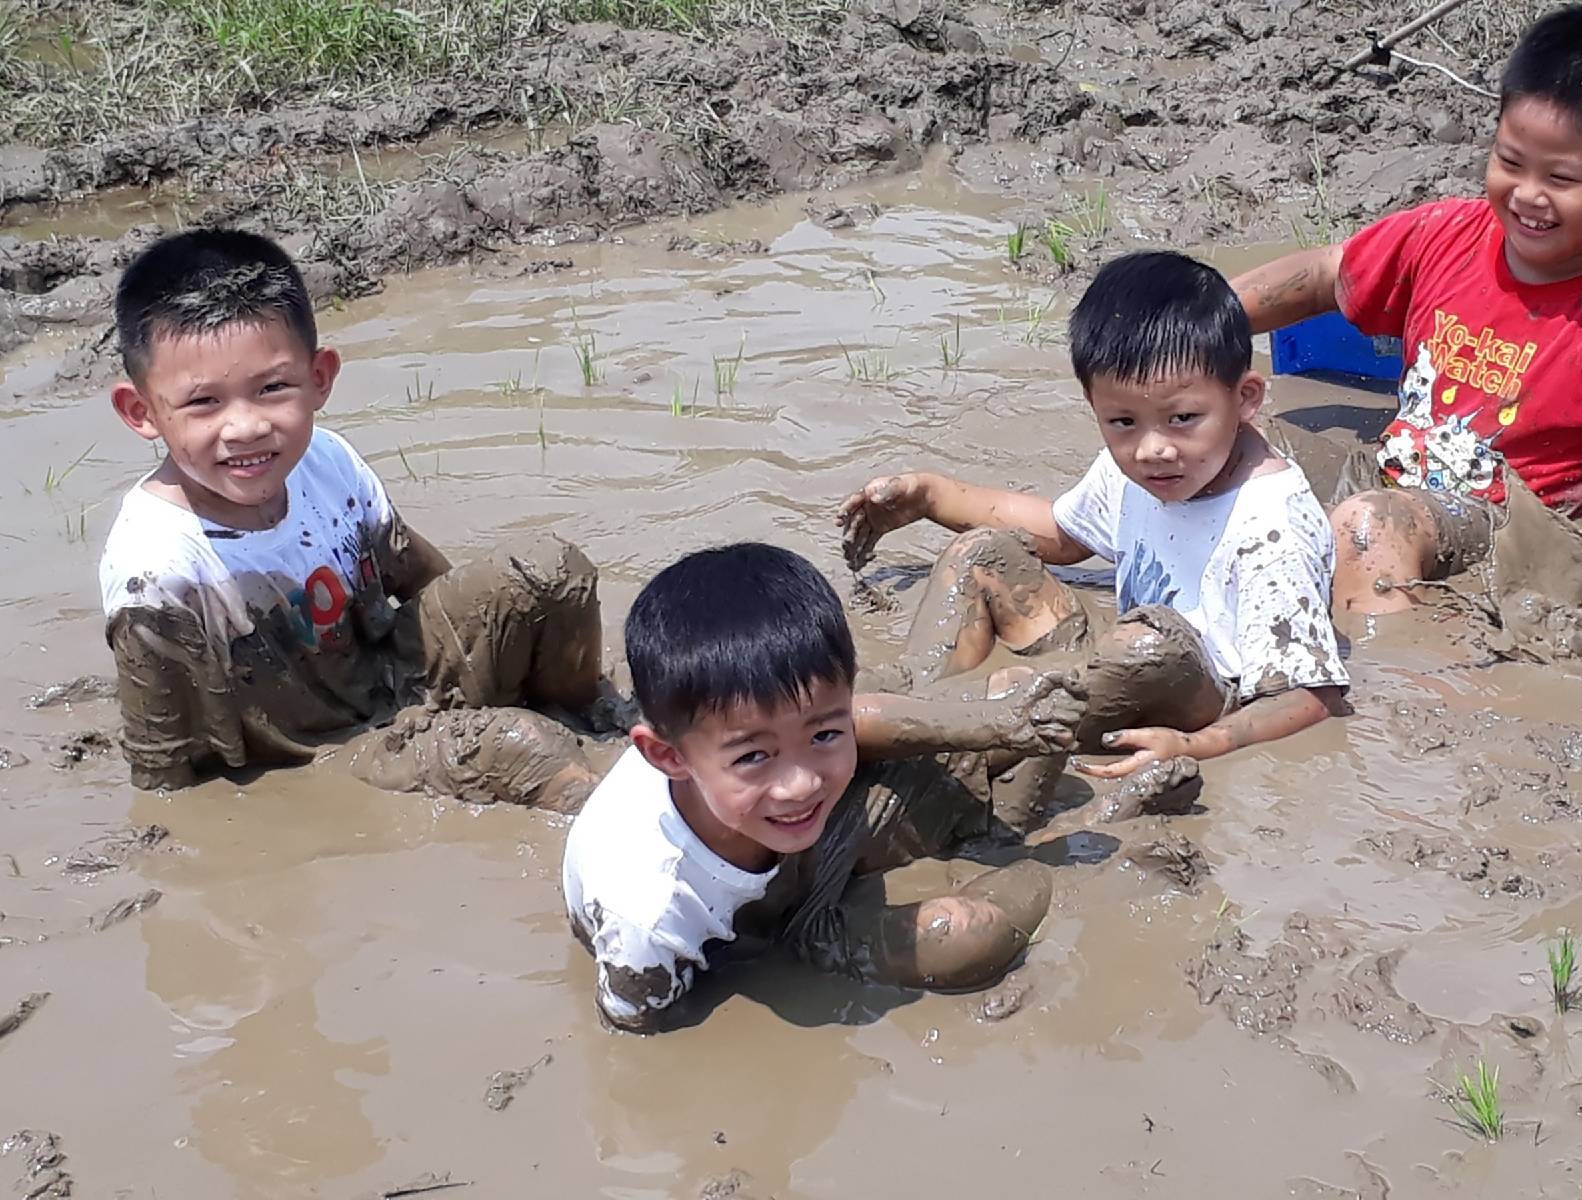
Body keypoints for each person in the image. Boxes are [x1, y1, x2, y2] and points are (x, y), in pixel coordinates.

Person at [1228, 4, 1582, 651]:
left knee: (1369, 527)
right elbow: (1329, 274)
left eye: (1562, 178)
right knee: (1214, 446)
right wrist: (1204, 317)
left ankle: (1380, 707)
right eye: (1510, 160)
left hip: (1507, 526)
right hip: (1396, 482)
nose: (1528, 194)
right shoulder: (1446, 235)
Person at [99, 228, 601, 808]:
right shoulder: (158, 574)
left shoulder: (325, 459)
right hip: (330, 751)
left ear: (319, 379)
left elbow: (419, 577)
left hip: (389, 669)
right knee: (523, 749)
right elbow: (165, 776)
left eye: (272, 388)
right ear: (141, 412)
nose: (246, 427)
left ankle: (593, 723)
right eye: (203, 402)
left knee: (551, 569)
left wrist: (491, 650)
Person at [837, 250, 1350, 786]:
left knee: (1153, 643)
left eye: (1183, 419)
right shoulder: (1138, 470)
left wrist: (1200, 745)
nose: (1153, 448)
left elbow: (1312, 697)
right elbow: (1060, 535)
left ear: (1245, 398)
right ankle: (901, 696)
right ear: (1093, 404)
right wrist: (932, 497)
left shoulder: (1271, 528)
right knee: (985, 553)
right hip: (1119, 664)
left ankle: (938, 733)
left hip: (1197, 694)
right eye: (1123, 421)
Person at [561, 542, 1075, 1033]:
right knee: (963, 937)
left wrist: (998, 721)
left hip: (784, 854)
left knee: (1011, 708)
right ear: (667, 757)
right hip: (776, 924)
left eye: (825, 734)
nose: (800, 783)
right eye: (753, 756)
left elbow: (844, 724)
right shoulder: (648, 922)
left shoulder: (750, 766)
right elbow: (642, 1050)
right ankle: (1059, 843)